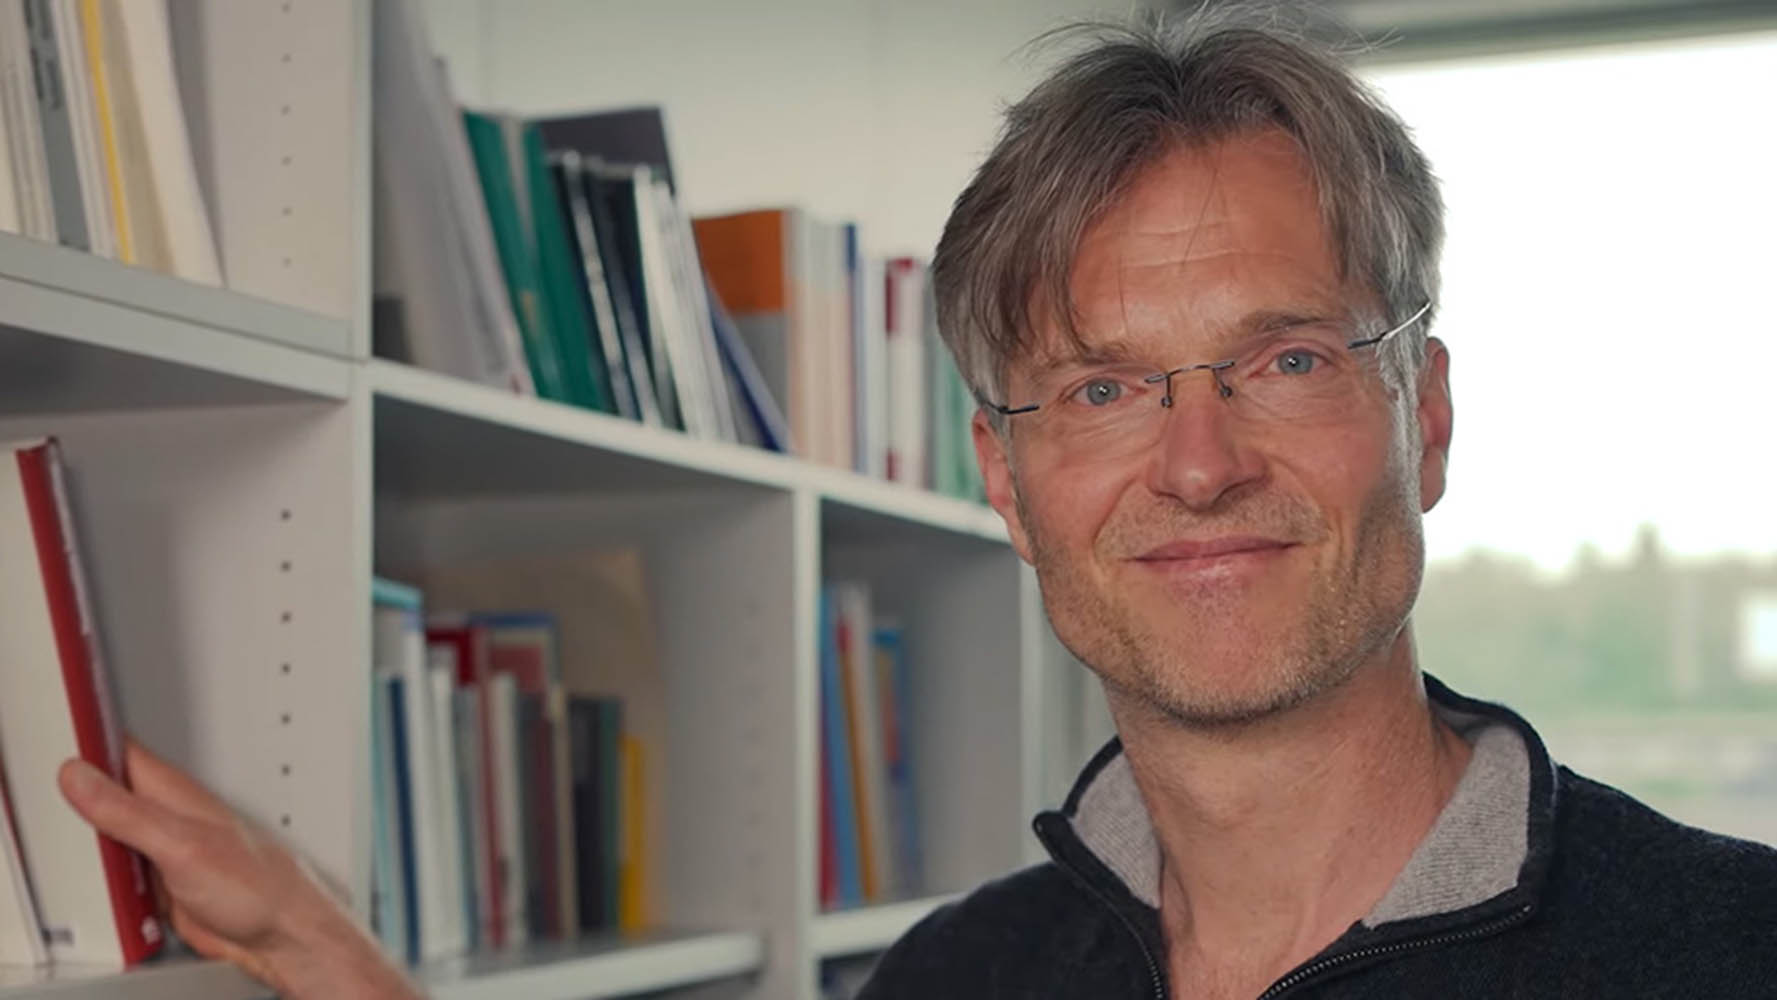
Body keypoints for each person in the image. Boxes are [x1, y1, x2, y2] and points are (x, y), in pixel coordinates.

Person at [57, 8, 1777, 999]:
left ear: (1425, 414)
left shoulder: (1724, 949)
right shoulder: (958, 981)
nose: (1197, 463)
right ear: (1005, 480)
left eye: (1283, 359)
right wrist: (334, 959)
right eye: (1100, 388)